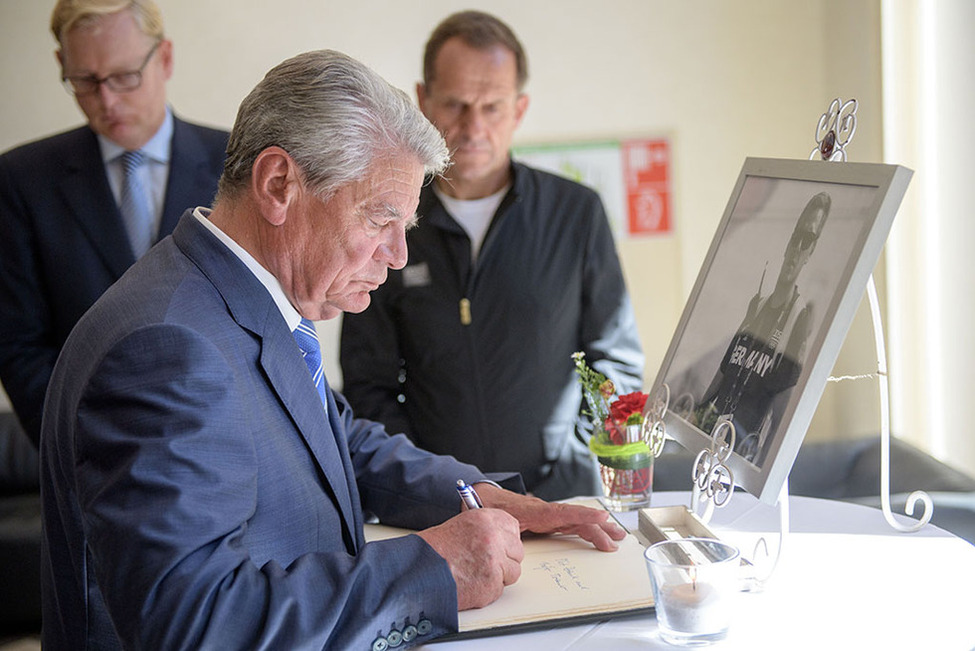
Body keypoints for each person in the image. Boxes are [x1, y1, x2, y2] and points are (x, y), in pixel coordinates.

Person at [39, 49, 626, 650]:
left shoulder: (241, 293)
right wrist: (432, 568)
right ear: (278, 185)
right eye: (379, 220)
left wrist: (485, 497)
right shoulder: (168, 350)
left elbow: (331, 439)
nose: (398, 256)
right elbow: (198, 623)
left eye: (406, 227)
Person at [340, 10, 644, 501]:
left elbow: (616, 360)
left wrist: (579, 456)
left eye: (492, 107)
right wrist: (426, 482)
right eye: (456, 104)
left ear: (519, 109)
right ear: (423, 101)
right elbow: (367, 384)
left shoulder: (576, 213)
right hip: (444, 505)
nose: (472, 126)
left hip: (565, 497)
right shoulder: (386, 220)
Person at [0, 0, 229, 448]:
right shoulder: (21, 179)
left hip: (227, 442)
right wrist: (87, 446)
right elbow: (18, 345)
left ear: (164, 59)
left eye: (125, 76)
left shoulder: (238, 164)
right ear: (61, 64)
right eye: (84, 80)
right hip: (87, 457)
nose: (106, 100)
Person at [692, 191, 832, 464]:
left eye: (808, 241)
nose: (798, 249)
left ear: (810, 252)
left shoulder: (798, 319)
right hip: (708, 445)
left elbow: (780, 422)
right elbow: (722, 375)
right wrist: (693, 420)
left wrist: (762, 476)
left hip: (740, 456)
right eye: (796, 238)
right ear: (788, 243)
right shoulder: (757, 304)